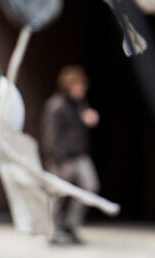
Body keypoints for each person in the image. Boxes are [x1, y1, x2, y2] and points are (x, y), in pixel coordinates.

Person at [40, 65, 101, 245]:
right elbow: (51, 135)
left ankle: (71, 225)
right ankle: (54, 230)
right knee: (59, 194)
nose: (81, 89)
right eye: (78, 86)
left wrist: (88, 119)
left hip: (80, 155)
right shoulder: (56, 106)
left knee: (89, 187)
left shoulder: (80, 105)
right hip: (63, 157)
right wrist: (58, 159)